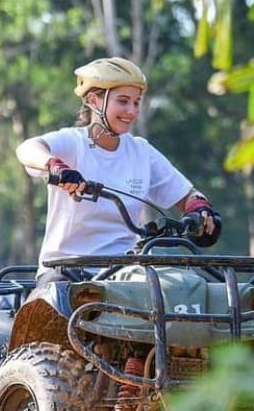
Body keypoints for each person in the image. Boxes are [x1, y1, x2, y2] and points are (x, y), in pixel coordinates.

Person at [14, 57, 221, 286]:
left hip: (125, 273)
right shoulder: (73, 142)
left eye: (136, 102)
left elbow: (187, 196)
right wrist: (56, 167)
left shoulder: (141, 151)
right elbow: (27, 148)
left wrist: (200, 209)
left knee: (185, 288)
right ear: (94, 100)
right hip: (66, 270)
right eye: (123, 101)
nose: (132, 111)